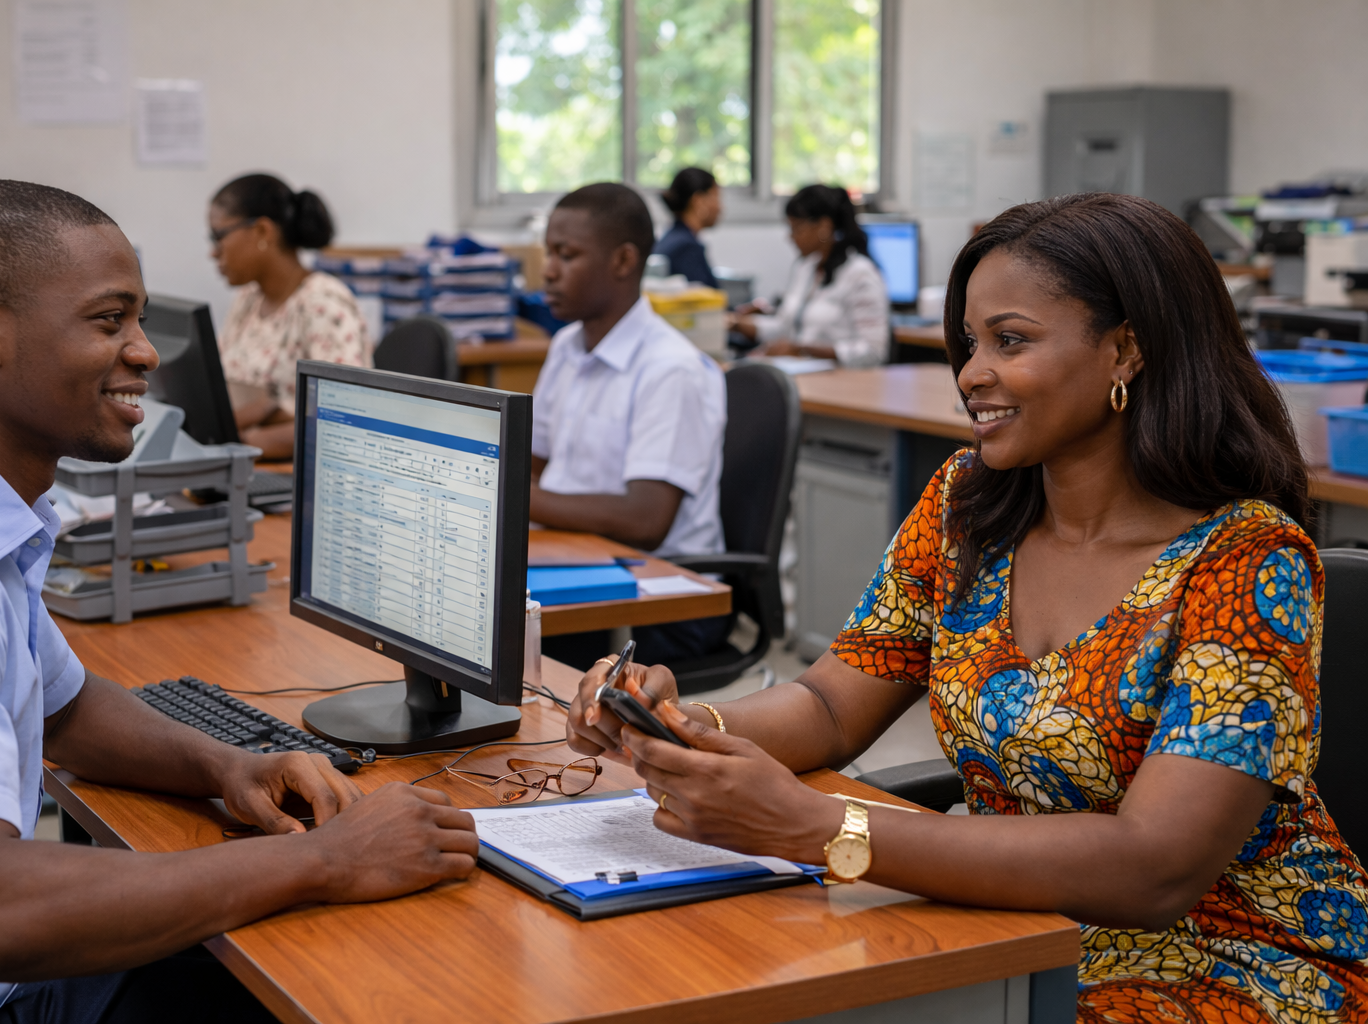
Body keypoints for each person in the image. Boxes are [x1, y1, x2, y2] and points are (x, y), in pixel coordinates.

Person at [569, 192, 1368, 1022]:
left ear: (1125, 349)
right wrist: (686, 724)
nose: (971, 374)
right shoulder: (969, 507)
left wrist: (817, 827)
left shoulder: (1246, 561)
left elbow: (1154, 867)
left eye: (1010, 341)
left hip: (1231, 958)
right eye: (970, 342)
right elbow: (830, 705)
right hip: (1011, 921)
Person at [0, 180, 480, 1024]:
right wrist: (328, 860)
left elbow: (64, 709)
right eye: (109, 322)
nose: (144, 352)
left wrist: (229, 767)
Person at [530, 182, 729, 668]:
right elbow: (530, 459)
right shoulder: (567, 347)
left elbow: (645, 521)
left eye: (567, 255)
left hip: (659, 595)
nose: (548, 272)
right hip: (577, 559)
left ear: (622, 261)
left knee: (507, 637)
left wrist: (512, 497)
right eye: (548, 253)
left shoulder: (670, 369)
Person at [209, 173, 368, 460]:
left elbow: (341, 421)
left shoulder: (324, 305)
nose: (213, 252)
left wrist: (242, 442)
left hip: (300, 468)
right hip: (250, 456)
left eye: (219, 237)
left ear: (262, 232)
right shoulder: (248, 299)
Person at [729, 184, 888, 367]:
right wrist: (735, 323)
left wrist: (803, 350)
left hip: (838, 381)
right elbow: (784, 328)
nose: (791, 237)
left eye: (797, 228)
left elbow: (873, 352)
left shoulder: (860, 274)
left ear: (823, 227)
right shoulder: (806, 269)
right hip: (800, 373)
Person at [653, 167, 721, 288]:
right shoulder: (687, 249)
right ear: (698, 201)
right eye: (716, 197)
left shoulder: (671, 238)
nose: (720, 207)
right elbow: (706, 302)